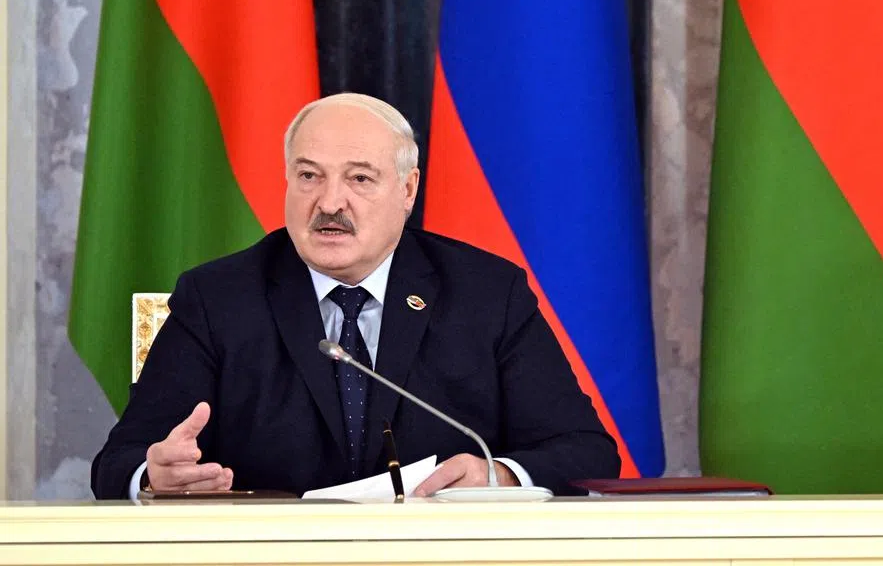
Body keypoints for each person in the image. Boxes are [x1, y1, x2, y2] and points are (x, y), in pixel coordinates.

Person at [90, 93, 620, 499]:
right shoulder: (216, 298)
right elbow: (118, 462)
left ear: (407, 190)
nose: (329, 202)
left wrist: (497, 474)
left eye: (360, 178)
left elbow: (586, 452)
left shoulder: (487, 292)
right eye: (308, 176)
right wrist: (154, 476)